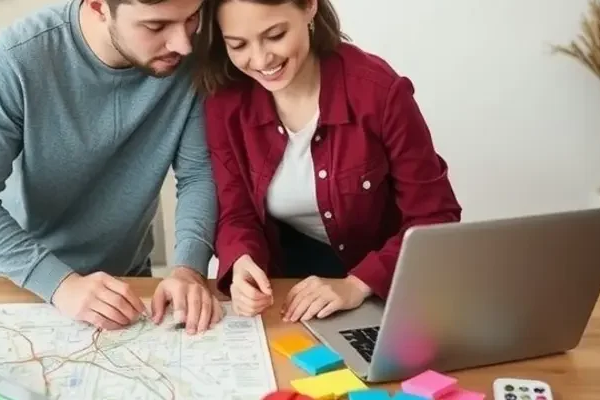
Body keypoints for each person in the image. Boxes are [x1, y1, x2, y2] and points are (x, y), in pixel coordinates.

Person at [0, 0, 223, 335]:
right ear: (99, 6)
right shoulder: (16, 59)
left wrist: (188, 269)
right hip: (23, 286)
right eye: (155, 26)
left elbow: (197, 176)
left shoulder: (187, 60)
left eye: (192, 18)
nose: (183, 43)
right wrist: (62, 285)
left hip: (128, 286)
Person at [193, 0, 462, 322]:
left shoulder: (378, 91)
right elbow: (236, 211)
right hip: (288, 290)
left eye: (275, 35)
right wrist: (241, 262)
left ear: (309, 8)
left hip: (384, 283)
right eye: (237, 45)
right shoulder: (225, 103)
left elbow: (435, 215)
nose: (261, 59)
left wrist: (357, 284)